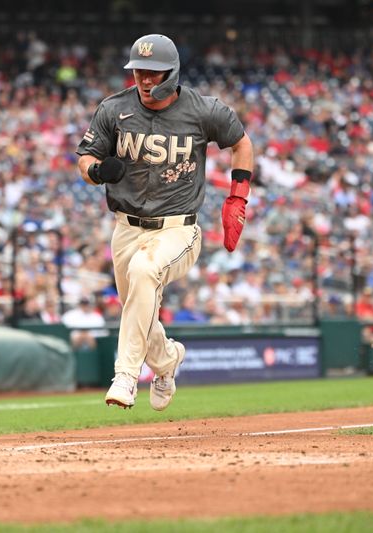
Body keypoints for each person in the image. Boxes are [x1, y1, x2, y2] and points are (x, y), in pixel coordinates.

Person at [75, 34, 253, 410]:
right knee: (137, 305)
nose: (144, 78)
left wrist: (238, 195)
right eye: (139, 70)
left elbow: (242, 143)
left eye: (153, 72)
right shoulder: (114, 109)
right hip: (126, 227)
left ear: (171, 73)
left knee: (144, 271)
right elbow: (85, 161)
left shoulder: (203, 110)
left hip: (178, 227)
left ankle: (125, 375)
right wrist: (98, 171)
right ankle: (167, 360)